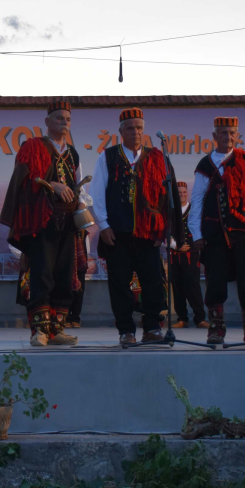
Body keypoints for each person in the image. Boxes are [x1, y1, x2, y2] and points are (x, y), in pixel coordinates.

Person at [0, 101, 88, 346]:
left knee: (64, 275)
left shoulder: (73, 153)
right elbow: (23, 180)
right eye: (59, 118)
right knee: (42, 275)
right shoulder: (32, 146)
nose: (64, 122)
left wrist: (80, 207)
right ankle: (39, 331)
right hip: (42, 222)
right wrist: (51, 185)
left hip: (67, 222)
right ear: (47, 122)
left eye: (68, 119)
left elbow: (79, 185)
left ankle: (56, 330)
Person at [92, 108, 172, 347]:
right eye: (130, 128)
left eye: (139, 128)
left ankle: (152, 328)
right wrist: (104, 225)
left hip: (148, 234)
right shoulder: (107, 157)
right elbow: (97, 193)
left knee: (153, 282)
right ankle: (126, 330)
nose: (135, 132)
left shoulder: (157, 157)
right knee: (119, 284)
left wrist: (162, 230)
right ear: (120, 131)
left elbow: (165, 197)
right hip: (117, 233)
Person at [188, 116, 245, 345]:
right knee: (215, 282)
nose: (228, 136)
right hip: (214, 236)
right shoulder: (205, 165)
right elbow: (197, 201)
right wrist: (197, 234)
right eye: (223, 133)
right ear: (214, 136)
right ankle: (216, 329)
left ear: (237, 135)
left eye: (232, 132)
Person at [168, 181, 207, 329]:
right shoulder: (170, 210)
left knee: (193, 287)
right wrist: (175, 245)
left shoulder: (195, 210)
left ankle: (200, 318)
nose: (182, 195)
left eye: (184, 192)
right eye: (179, 193)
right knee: (177, 287)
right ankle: (182, 319)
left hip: (192, 255)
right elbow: (165, 230)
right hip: (175, 255)